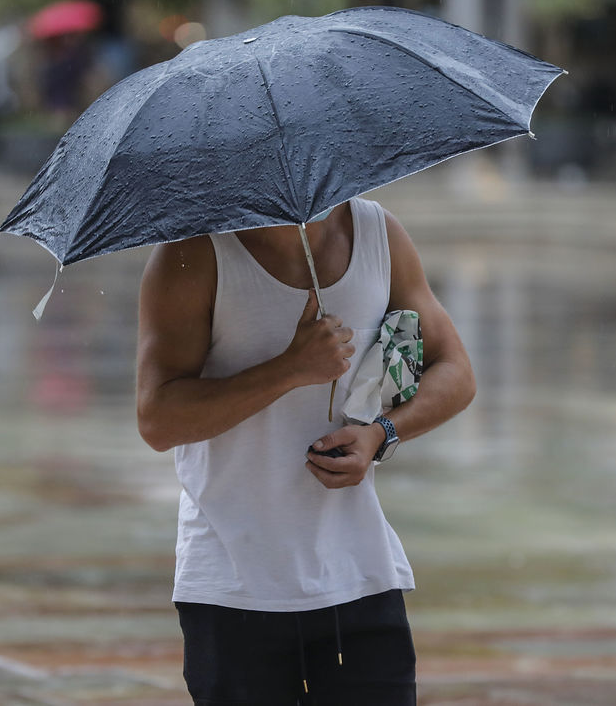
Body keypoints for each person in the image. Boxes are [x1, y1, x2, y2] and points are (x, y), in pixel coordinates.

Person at [136, 196, 476, 704]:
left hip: (359, 574)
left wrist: (382, 433)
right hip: (234, 583)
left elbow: (455, 371)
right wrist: (288, 370)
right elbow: (158, 418)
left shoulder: (377, 233)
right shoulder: (193, 253)